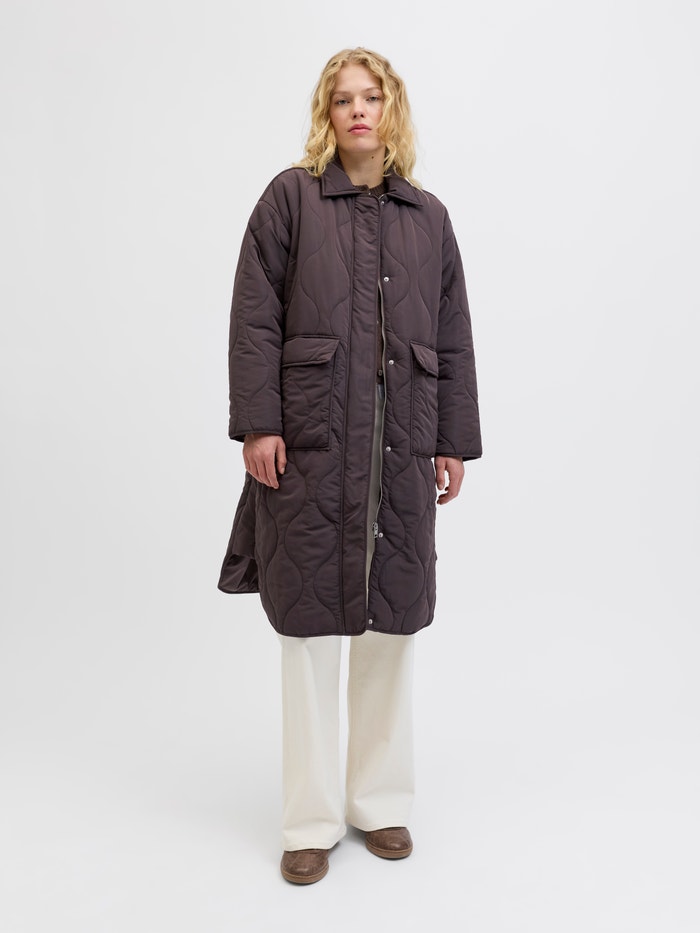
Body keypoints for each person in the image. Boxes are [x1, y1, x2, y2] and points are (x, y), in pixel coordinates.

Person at [218, 47, 482, 884]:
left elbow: (452, 334)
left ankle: (381, 802)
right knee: (307, 631)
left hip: (400, 445)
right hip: (312, 443)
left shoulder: (429, 217)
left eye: (372, 97)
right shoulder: (290, 199)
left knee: (389, 625)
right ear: (326, 114)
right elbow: (254, 316)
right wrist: (260, 421)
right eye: (343, 99)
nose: (358, 110)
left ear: (391, 109)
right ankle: (309, 819)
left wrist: (452, 437)